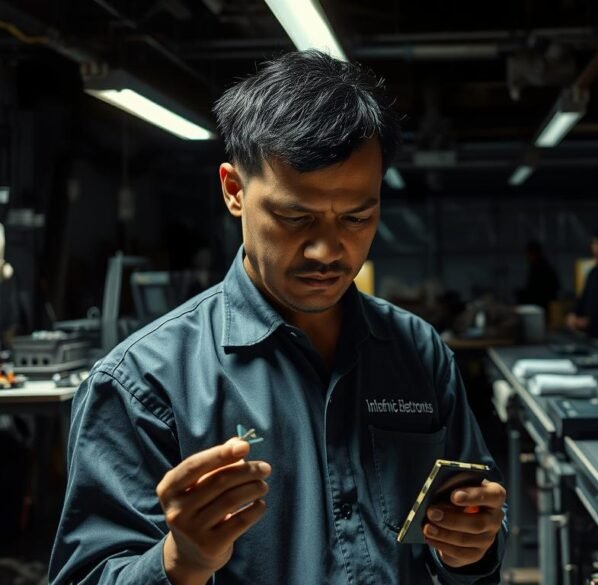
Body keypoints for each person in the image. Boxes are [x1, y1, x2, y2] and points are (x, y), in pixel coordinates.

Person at [50, 50, 507, 585]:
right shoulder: (144, 384)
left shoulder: (418, 352)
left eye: (356, 218)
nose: (327, 251)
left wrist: (471, 548)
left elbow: (472, 529)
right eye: (295, 217)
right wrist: (179, 562)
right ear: (234, 191)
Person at [515, 241, 559, 309]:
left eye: (527, 253)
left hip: (541, 305)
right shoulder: (544, 266)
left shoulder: (539, 267)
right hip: (543, 304)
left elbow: (535, 291)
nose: (526, 257)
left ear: (533, 253)